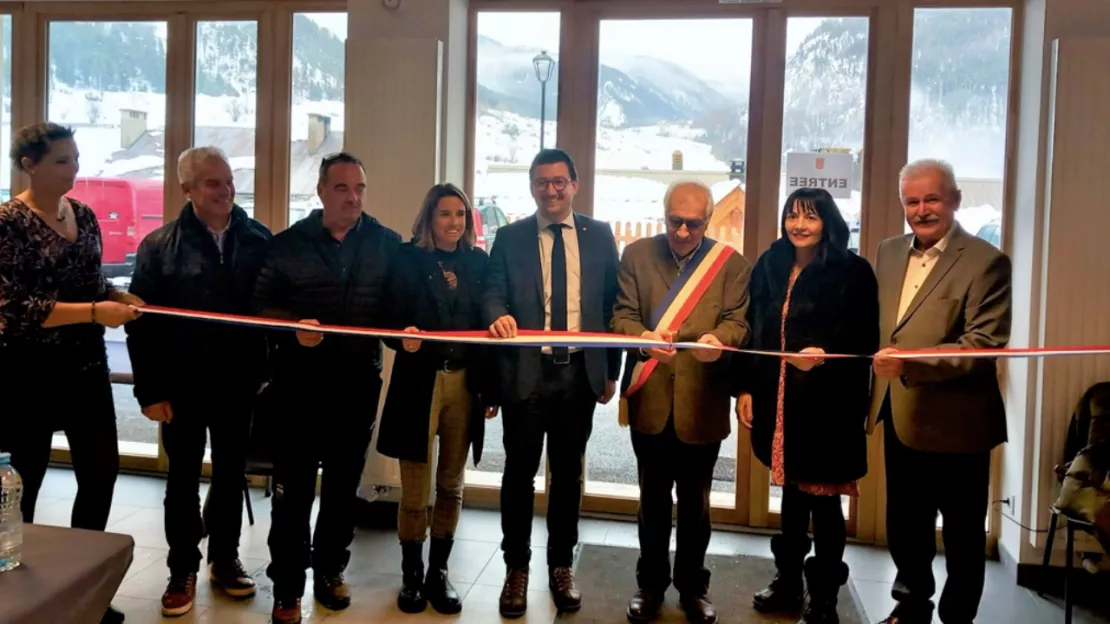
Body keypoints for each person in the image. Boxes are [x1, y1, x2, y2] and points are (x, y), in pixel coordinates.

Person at [0, 122, 141, 624]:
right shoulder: (7, 222)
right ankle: (20, 595)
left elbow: (93, 280)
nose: (74, 169)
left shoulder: (82, 214)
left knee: (101, 472)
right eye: (62, 160)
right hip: (28, 370)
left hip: (84, 366)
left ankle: (86, 589)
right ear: (28, 164)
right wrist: (92, 311)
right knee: (26, 482)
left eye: (76, 159)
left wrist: (116, 297)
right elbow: (13, 306)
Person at [253, 152, 402, 624]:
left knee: (342, 491)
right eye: (342, 188)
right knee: (292, 493)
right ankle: (287, 586)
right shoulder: (287, 244)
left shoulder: (386, 244)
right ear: (320, 192)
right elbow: (259, 309)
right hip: (297, 390)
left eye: (359, 188)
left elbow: (395, 313)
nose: (353, 197)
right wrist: (291, 326)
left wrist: (409, 333)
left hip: (356, 389)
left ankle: (331, 571)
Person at [125, 146, 272, 617]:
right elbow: (140, 323)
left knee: (231, 475)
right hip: (181, 386)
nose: (225, 190)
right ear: (187, 189)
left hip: (239, 384)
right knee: (182, 479)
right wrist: (148, 391)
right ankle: (181, 567)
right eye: (212, 182)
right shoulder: (158, 245)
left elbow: (269, 312)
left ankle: (224, 560)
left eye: (228, 180)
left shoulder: (258, 239)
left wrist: (264, 370)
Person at [869, 159, 1011, 624]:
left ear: (954, 199)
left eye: (931, 199)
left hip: (959, 424)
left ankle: (956, 617)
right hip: (899, 413)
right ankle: (910, 605)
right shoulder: (888, 252)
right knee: (905, 526)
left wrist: (908, 363)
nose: (921, 209)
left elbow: (982, 345)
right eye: (912, 201)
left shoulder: (986, 261)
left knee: (963, 535)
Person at [482, 148, 621, 618]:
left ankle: (561, 565)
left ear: (575, 184)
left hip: (579, 375)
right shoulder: (511, 236)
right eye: (542, 182)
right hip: (526, 374)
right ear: (532, 187)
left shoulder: (600, 236)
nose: (551, 190)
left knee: (567, 475)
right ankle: (516, 569)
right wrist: (497, 314)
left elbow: (611, 306)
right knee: (518, 475)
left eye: (559, 181)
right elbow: (492, 291)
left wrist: (611, 373)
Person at [735, 188, 878, 623]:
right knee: (793, 498)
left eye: (810, 217)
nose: (799, 225)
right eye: (792, 215)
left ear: (827, 222)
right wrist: (745, 388)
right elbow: (752, 331)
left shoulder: (852, 271)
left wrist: (822, 352)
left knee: (825, 504)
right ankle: (787, 581)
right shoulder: (770, 263)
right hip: (777, 398)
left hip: (827, 406)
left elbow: (865, 338)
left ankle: (825, 596)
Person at [612, 181, 751, 624]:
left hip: (701, 404)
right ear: (664, 214)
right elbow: (621, 316)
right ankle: (649, 585)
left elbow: (739, 323)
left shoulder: (729, 264)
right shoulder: (636, 255)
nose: (685, 231)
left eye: (695, 223)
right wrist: (641, 339)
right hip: (650, 400)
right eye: (676, 221)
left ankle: (694, 586)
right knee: (652, 503)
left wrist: (721, 340)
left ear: (708, 221)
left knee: (696, 506)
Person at [376, 183, 499, 615]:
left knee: (451, 484)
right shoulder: (407, 259)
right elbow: (386, 319)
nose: (454, 223)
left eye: (461, 215)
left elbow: (488, 321)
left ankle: (438, 572)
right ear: (429, 218)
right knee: (415, 488)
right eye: (445, 214)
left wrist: (493, 388)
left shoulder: (478, 262)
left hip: (465, 384)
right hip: (419, 384)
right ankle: (411, 575)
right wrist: (400, 335)